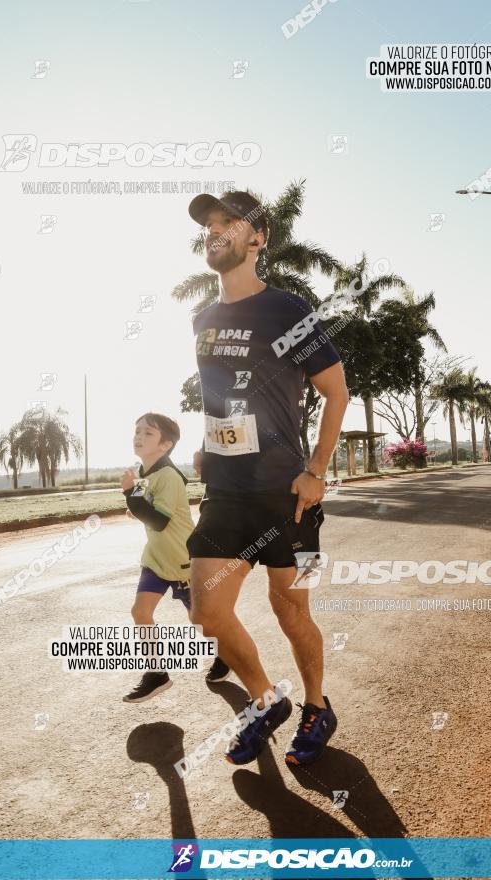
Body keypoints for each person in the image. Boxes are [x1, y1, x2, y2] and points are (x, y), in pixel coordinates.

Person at [187, 190, 349, 765]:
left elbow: (336, 391)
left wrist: (317, 471)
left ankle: (315, 706)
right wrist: (209, 446)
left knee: (292, 610)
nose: (216, 231)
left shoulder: (286, 311)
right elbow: (218, 394)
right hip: (226, 495)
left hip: (288, 495)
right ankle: (265, 699)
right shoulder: (203, 319)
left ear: (258, 238)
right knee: (204, 610)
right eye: (210, 224)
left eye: (229, 223)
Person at [121, 412, 230, 702]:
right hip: (156, 560)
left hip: (183, 561)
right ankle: (157, 673)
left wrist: (129, 495)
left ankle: (226, 654)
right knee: (140, 613)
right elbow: (145, 510)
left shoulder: (168, 476)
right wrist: (134, 501)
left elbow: (159, 520)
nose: (139, 437)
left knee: (201, 619)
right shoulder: (145, 472)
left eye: (148, 433)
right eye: (137, 431)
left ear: (165, 445)